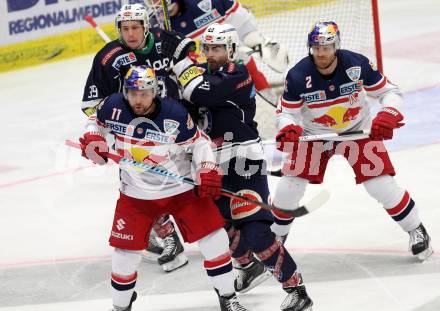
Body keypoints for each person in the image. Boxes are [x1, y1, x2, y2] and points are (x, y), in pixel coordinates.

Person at [160, 23, 313, 311]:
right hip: (211, 165)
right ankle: (247, 266)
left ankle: (297, 289)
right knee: (221, 228)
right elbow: (182, 107)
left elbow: (200, 93)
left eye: (217, 48)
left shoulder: (237, 75)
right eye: (206, 48)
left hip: (244, 163)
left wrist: (181, 60)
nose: (210, 53)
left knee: (256, 233)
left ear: (231, 49)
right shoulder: (204, 75)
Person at [79, 65, 249, 311]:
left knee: (215, 241)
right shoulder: (113, 106)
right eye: (133, 93)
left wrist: (207, 167)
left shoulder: (174, 114)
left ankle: (228, 298)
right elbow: (93, 122)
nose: (138, 100)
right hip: (135, 195)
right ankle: (120, 307)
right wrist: (93, 138)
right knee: (123, 258)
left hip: (181, 190)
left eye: (144, 93)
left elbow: (200, 143)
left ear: (154, 91)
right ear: (125, 92)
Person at [273, 21, 433, 261]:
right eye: (316, 48)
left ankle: (416, 229)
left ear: (336, 46)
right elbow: (286, 112)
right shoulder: (297, 75)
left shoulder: (357, 63)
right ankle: (274, 242)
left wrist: (388, 114)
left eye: (326, 47)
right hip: (314, 135)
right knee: (288, 189)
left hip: (357, 130)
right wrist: (289, 128)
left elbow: (390, 92)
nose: (321, 53)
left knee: (380, 185)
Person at [81, 3, 189, 272]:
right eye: (125, 28)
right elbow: (91, 103)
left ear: (145, 27)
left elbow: (190, 65)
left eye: (135, 28)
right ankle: (169, 238)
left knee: (190, 182)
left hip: (174, 125)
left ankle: (220, 232)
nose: (130, 34)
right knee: (141, 186)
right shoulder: (109, 58)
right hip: (134, 135)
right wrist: (105, 125)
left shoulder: (165, 42)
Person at [145, 0, 289, 105]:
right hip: (198, 78)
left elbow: (239, 17)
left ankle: (274, 102)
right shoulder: (153, 27)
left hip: (229, 69)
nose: (154, 3)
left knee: (242, 58)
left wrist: (256, 42)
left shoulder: (206, 4)